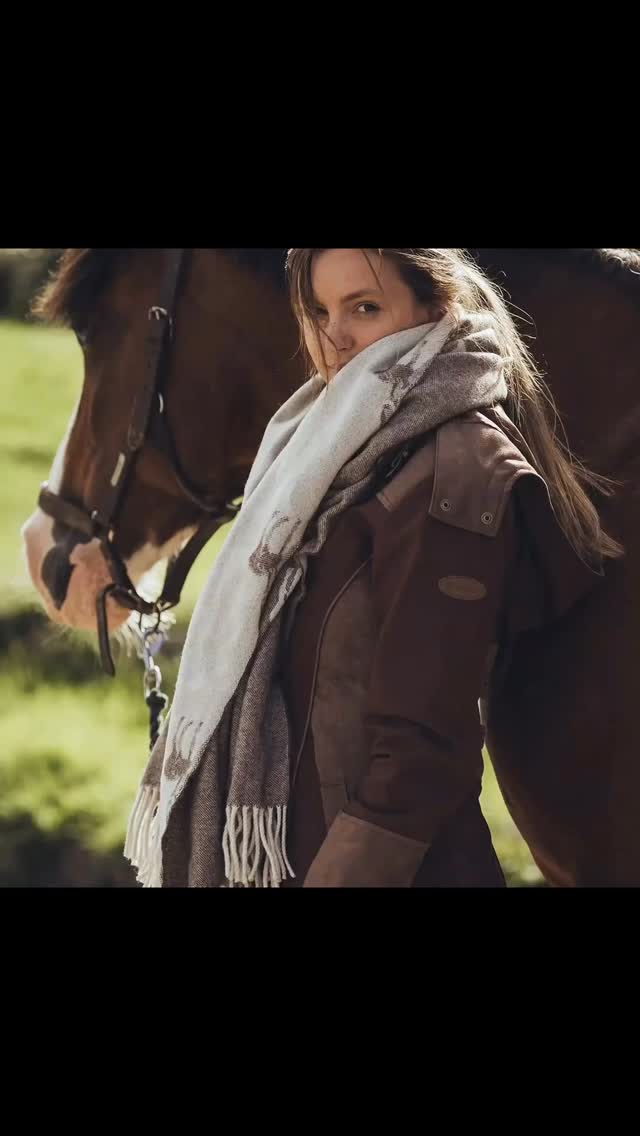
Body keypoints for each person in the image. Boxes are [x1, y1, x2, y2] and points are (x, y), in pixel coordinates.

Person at [125, 248, 623, 888]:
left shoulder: (454, 475)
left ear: (434, 310)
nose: (334, 339)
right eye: (317, 310)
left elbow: (421, 756)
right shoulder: (322, 451)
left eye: (364, 307)